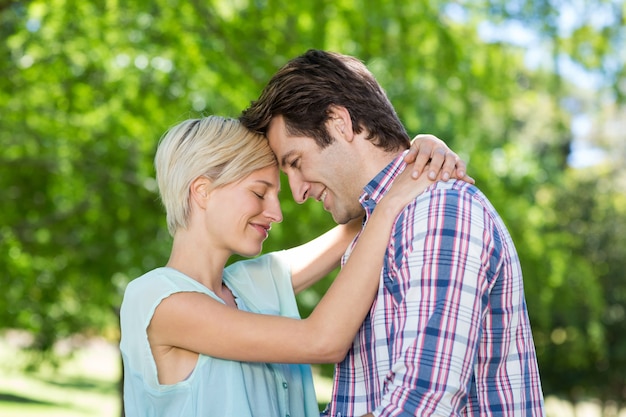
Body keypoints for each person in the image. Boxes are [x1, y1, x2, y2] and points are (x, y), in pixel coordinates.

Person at [240, 49, 546, 417]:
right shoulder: (379, 228)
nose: (298, 192)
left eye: (296, 162)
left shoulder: (439, 212)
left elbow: (418, 406)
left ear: (339, 122)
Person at [119, 115, 467, 417]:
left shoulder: (249, 284)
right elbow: (322, 341)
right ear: (202, 191)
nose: (276, 213)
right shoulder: (156, 301)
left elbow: (360, 224)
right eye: (260, 193)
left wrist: (417, 156)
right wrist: (393, 201)